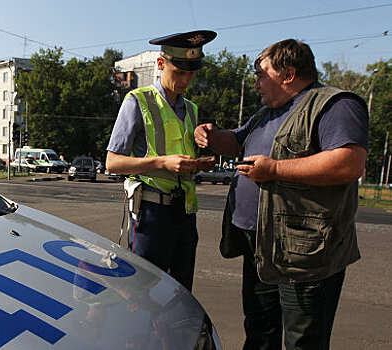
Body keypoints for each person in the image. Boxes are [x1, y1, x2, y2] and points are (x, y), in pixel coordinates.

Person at [194, 39, 368, 349]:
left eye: (262, 74)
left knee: (304, 341)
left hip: (304, 254)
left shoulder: (334, 104)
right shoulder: (266, 113)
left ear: (287, 74)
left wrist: (275, 170)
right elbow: (235, 142)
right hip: (261, 247)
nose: (256, 82)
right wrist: (208, 135)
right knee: (260, 333)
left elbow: (349, 162)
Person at [105, 30, 217, 291]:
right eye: (179, 72)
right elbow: (112, 163)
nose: (186, 80)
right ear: (160, 64)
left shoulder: (191, 109)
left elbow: (182, 158)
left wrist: (199, 162)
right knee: (143, 294)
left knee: (181, 293)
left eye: (191, 73)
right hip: (152, 216)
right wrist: (161, 163)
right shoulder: (137, 101)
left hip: (185, 213)